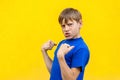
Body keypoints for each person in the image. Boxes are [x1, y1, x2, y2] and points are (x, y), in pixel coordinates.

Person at [41, 8, 90, 80]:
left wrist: (61, 57)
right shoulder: (62, 43)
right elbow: (54, 72)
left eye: (70, 24)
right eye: (63, 26)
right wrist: (44, 51)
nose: (66, 29)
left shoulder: (81, 48)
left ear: (80, 24)